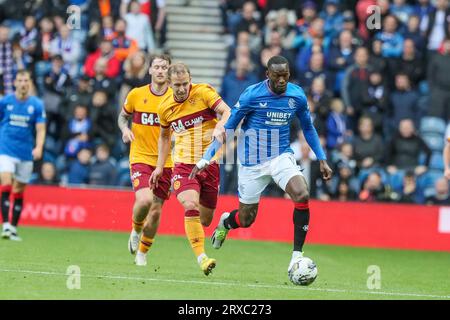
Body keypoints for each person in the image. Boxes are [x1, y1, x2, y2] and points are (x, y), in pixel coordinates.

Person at [191, 56, 332, 274]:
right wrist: (206, 157)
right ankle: (226, 223)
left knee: (302, 194)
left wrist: (321, 158)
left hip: (280, 156)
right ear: (268, 75)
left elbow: (308, 128)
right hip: (251, 163)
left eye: (285, 75)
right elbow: (228, 127)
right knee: (246, 219)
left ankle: (296, 257)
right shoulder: (252, 94)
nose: (282, 80)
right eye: (277, 76)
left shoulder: (297, 95)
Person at [150, 63, 231, 276]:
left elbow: (227, 111)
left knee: (205, 220)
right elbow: (165, 137)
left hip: (210, 164)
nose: (182, 88)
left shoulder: (203, 92)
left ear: (190, 79)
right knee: (189, 203)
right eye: (177, 85)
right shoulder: (165, 108)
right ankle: (202, 258)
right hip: (184, 165)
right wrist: (160, 167)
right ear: (168, 84)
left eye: (185, 83)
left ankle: (223, 223)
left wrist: (220, 125)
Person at [117, 54, 173, 266]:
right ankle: (136, 228)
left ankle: (142, 252)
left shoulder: (175, 99)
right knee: (144, 200)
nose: (160, 70)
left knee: (157, 210)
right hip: (140, 156)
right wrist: (124, 129)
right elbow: (123, 116)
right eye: (156, 66)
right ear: (149, 70)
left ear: (168, 71)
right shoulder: (136, 94)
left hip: (166, 162)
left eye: (164, 67)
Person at [0, 70, 46, 240]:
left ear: (30, 83)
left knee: (18, 189)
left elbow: (41, 129)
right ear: (15, 83)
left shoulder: (37, 104)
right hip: (5, 148)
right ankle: (5, 225)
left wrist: (39, 147)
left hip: (25, 152)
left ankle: (13, 227)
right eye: (20, 80)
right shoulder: (5, 102)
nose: (23, 83)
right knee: (6, 182)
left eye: (26, 80)